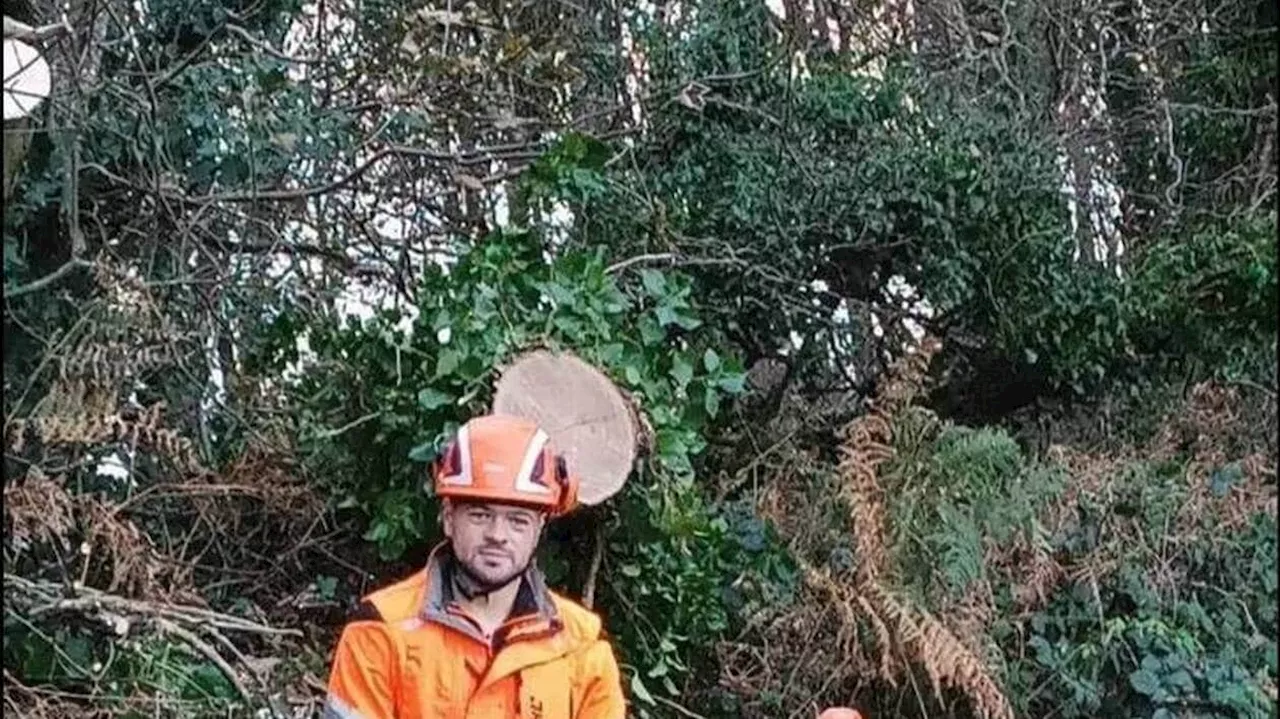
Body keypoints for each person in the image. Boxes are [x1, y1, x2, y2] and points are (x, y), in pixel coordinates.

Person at [323, 414, 627, 719]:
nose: (497, 535)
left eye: (517, 521)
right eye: (480, 515)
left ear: (539, 528)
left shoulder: (580, 645)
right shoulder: (381, 629)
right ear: (450, 518)